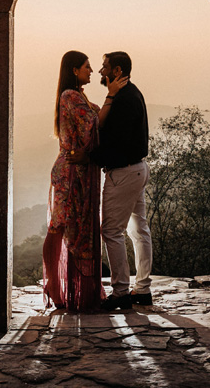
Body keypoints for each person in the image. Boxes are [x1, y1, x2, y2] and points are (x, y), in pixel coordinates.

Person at [42, 51, 127, 312]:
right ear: (74, 69)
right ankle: (56, 289)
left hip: (79, 171)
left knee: (75, 230)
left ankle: (69, 289)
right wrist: (111, 95)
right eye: (87, 67)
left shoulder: (78, 95)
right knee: (62, 228)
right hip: (71, 174)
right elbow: (92, 126)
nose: (91, 71)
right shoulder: (70, 96)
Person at [88, 51, 154, 311]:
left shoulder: (122, 99)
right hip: (138, 169)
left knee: (111, 232)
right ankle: (144, 289)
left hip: (124, 172)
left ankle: (121, 293)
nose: (101, 72)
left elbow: (111, 137)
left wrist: (90, 156)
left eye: (105, 67)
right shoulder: (134, 92)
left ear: (116, 71)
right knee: (139, 230)